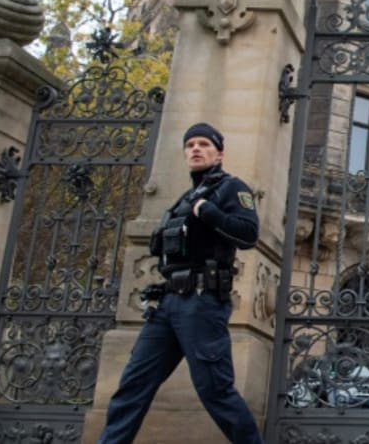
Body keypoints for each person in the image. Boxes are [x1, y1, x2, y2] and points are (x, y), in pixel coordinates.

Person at [99, 123, 262, 444]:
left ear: (219, 154)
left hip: (202, 302)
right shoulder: (184, 199)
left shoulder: (231, 188)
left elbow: (248, 234)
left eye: (204, 144)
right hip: (168, 305)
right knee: (132, 386)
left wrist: (210, 213)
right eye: (190, 145)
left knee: (216, 391)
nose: (195, 149)